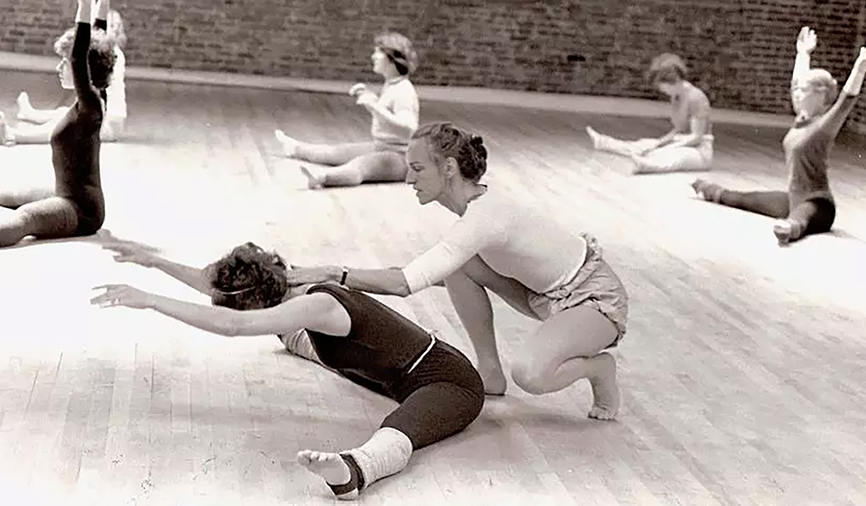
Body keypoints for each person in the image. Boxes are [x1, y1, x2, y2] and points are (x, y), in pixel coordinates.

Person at [91, 237, 484, 501]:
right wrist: (155, 263)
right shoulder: (284, 284)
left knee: (399, 430)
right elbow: (223, 294)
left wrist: (151, 301)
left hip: (449, 381)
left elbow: (235, 323)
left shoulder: (319, 305)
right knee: (296, 340)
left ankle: (353, 469)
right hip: (392, 376)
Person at [286, 122, 630, 420]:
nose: (408, 179)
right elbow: (423, 272)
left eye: (417, 168)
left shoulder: (482, 219)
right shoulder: (474, 210)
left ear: (448, 168)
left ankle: (598, 368)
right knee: (459, 266)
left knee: (531, 374)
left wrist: (332, 273)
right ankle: (490, 371)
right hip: (540, 295)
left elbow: (405, 283)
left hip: (592, 298)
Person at [692, 28, 866, 245]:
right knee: (744, 199)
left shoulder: (823, 126)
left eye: (804, 91)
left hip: (818, 204)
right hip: (793, 199)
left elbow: (844, 103)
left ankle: (789, 229)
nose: (797, 94)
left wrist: (859, 71)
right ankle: (708, 189)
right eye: (798, 90)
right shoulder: (801, 118)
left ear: (820, 94)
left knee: (799, 218)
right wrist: (803, 54)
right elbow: (796, 84)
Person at [0, 0, 115, 249]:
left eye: (63, 63)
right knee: (4, 193)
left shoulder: (92, 105)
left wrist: (84, 4)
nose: (59, 67)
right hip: (63, 192)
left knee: (25, 219)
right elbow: (100, 39)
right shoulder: (95, 97)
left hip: (80, 210)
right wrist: (102, 4)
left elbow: (79, 56)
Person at [275, 32, 420, 189]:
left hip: (400, 158)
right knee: (335, 152)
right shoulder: (392, 85)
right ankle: (296, 148)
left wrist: (374, 106)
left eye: (378, 52)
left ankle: (321, 178)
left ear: (392, 59)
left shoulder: (404, 90)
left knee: (360, 166)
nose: (373, 57)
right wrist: (369, 97)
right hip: (382, 146)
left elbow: (409, 128)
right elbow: (386, 117)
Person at [0, 5, 127, 145]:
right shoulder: (104, 51)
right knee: (62, 113)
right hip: (105, 118)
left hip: (110, 125)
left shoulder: (109, 55)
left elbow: (97, 27)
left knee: (63, 123)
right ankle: (30, 114)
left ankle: (15, 135)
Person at [585, 53, 714, 174]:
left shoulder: (696, 98)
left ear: (674, 80)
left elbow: (696, 137)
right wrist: (659, 142)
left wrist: (667, 148)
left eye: (662, 85)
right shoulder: (676, 96)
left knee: (670, 155)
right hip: (682, 142)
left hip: (700, 151)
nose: (661, 89)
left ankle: (644, 164)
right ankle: (605, 143)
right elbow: (679, 130)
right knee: (646, 144)